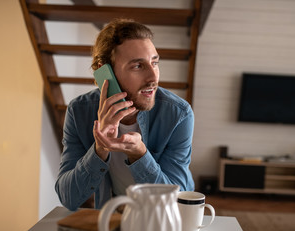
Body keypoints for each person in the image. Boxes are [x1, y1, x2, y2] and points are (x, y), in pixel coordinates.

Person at [55, 19, 195, 211]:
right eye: (138, 66)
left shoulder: (178, 114)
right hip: (112, 218)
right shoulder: (79, 112)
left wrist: (139, 153)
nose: (153, 77)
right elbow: (68, 198)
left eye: (155, 63)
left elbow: (176, 203)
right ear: (104, 72)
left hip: (161, 223)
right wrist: (99, 149)